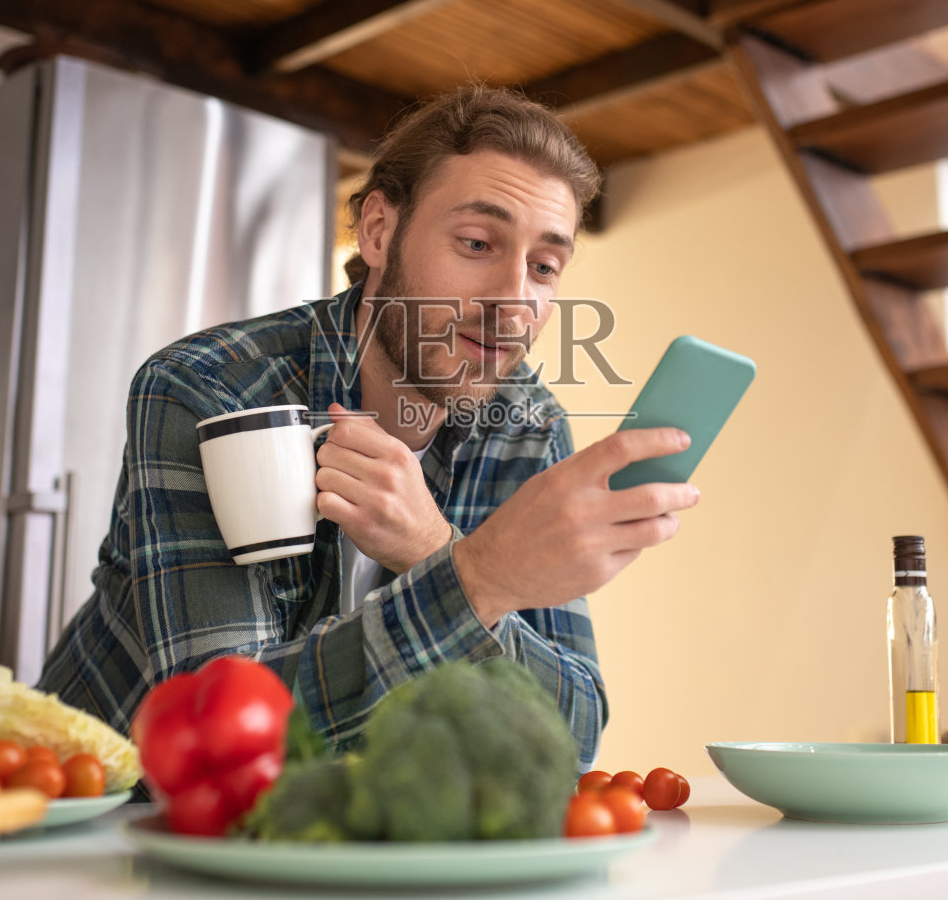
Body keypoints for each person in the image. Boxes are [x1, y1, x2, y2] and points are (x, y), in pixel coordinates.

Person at [38, 85, 700, 764]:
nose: (514, 300)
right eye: (476, 242)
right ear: (380, 231)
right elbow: (219, 736)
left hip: (332, 835)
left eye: (543, 267)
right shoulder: (209, 389)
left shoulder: (526, 427)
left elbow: (572, 737)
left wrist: (435, 552)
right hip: (101, 818)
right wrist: (473, 579)